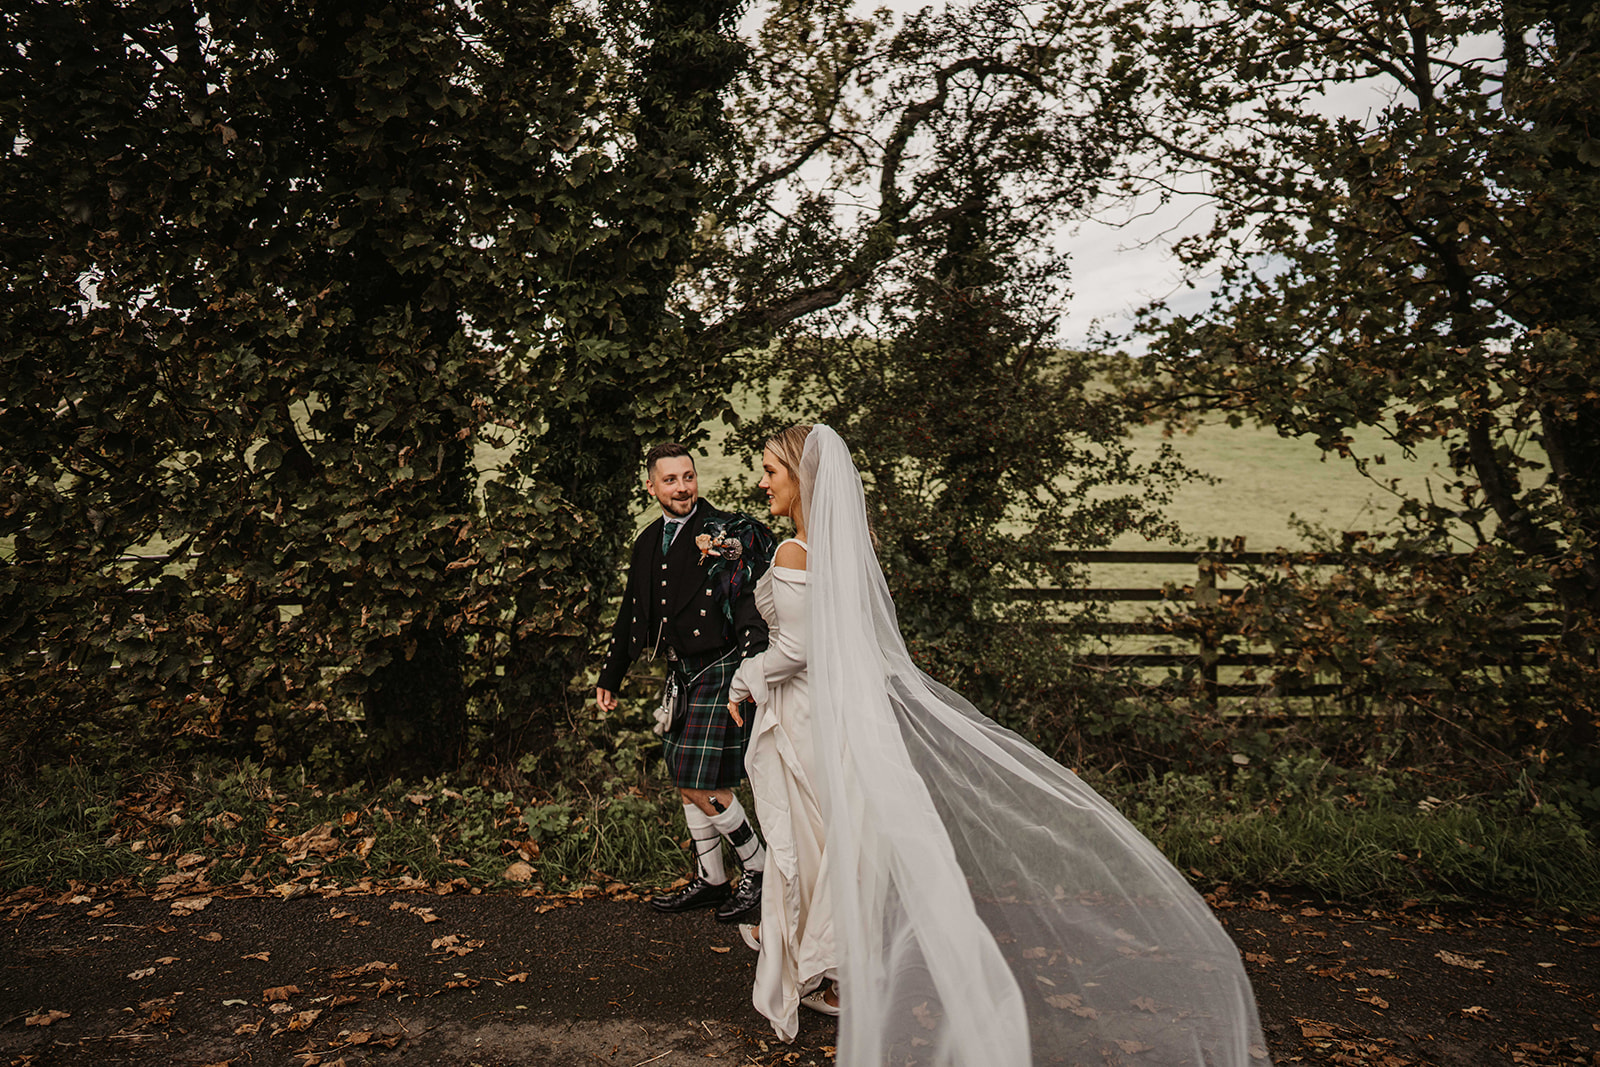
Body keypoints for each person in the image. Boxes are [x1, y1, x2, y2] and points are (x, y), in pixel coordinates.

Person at [728, 424, 1270, 1066]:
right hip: (843, 713)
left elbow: (796, 648)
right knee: (837, 842)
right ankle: (831, 970)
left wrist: (743, 680)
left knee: (809, 840)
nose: (762, 482)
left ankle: (816, 970)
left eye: (770, 470)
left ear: (802, 477)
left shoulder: (795, 552)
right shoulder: (847, 547)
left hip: (809, 715)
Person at [596, 441, 775, 925]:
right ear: (650, 485)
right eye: (670, 479)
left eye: (688, 476)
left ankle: (759, 872)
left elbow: (747, 599)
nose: (682, 487)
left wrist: (754, 662)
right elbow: (632, 610)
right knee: (685, 778)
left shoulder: (724, 533)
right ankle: (712, 878)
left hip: (722, 665)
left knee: (700, 780)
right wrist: (612, 672)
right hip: (682, 670)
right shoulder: (649, 540)